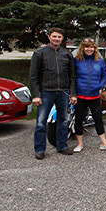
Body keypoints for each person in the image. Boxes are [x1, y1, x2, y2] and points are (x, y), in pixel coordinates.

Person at [29, 27, 77, 159]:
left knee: (63, 120)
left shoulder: (67, 54)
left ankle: (62, 146)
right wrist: (36, 95)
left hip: (63, 92)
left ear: (62, 39)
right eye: (54, 36)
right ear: (49, 37)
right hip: (46, 92)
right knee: (41, 122)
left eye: (59, 37)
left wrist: (73, 93)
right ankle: (39, 149)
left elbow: (72, 76)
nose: (57, 39)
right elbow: (33, 76)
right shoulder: (40, 53)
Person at [73, 38, 106, 152]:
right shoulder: (77, 60)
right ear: (83, 48)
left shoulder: (99, 61)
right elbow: (72, 75)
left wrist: (100, 86)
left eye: (91, 47)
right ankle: (79, 144)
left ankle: (104, 143)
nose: (89, 49)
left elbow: (104, 75)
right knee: (79, 119)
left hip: (94, 95)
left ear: (94, 48)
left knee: (98, 119)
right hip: (80, 95)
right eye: (87, 47)